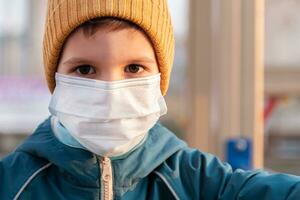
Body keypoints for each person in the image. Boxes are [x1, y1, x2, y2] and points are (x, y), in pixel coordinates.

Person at [1, 0, 300, 199]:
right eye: (84, 69)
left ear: (160, 77)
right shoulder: (12, 183)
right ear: (56, 78)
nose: (110, 91)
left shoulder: (194, 180)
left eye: (133, 68)